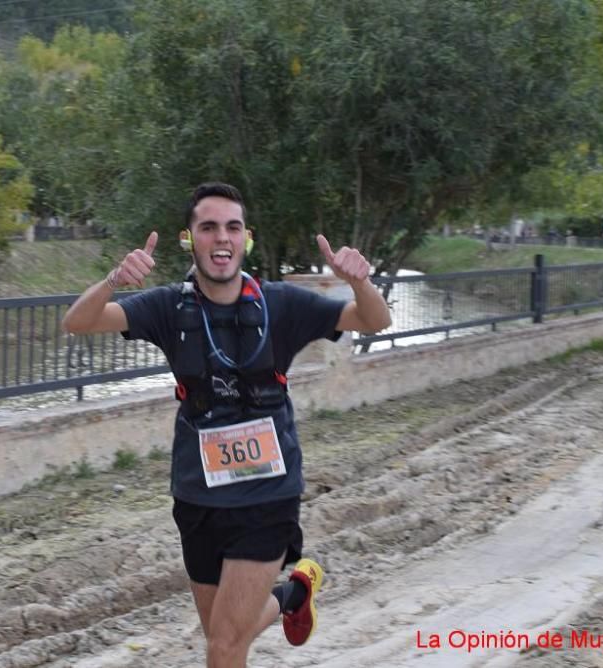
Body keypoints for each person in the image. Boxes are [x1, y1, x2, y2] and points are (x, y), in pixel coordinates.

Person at [61, 182, 392, 667]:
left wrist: (359, 282)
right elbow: (78, 322)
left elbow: (374, 321)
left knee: (223, 645)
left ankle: (289, 594)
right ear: (188, 239)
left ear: (247, 239)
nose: (222, 238)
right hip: (198, 496)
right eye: (208, 227)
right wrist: (114, 278)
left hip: (267, 496)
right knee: (221, 635)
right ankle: (293, 597)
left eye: (232, 227)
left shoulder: (282, 304)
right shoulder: (167, 307)